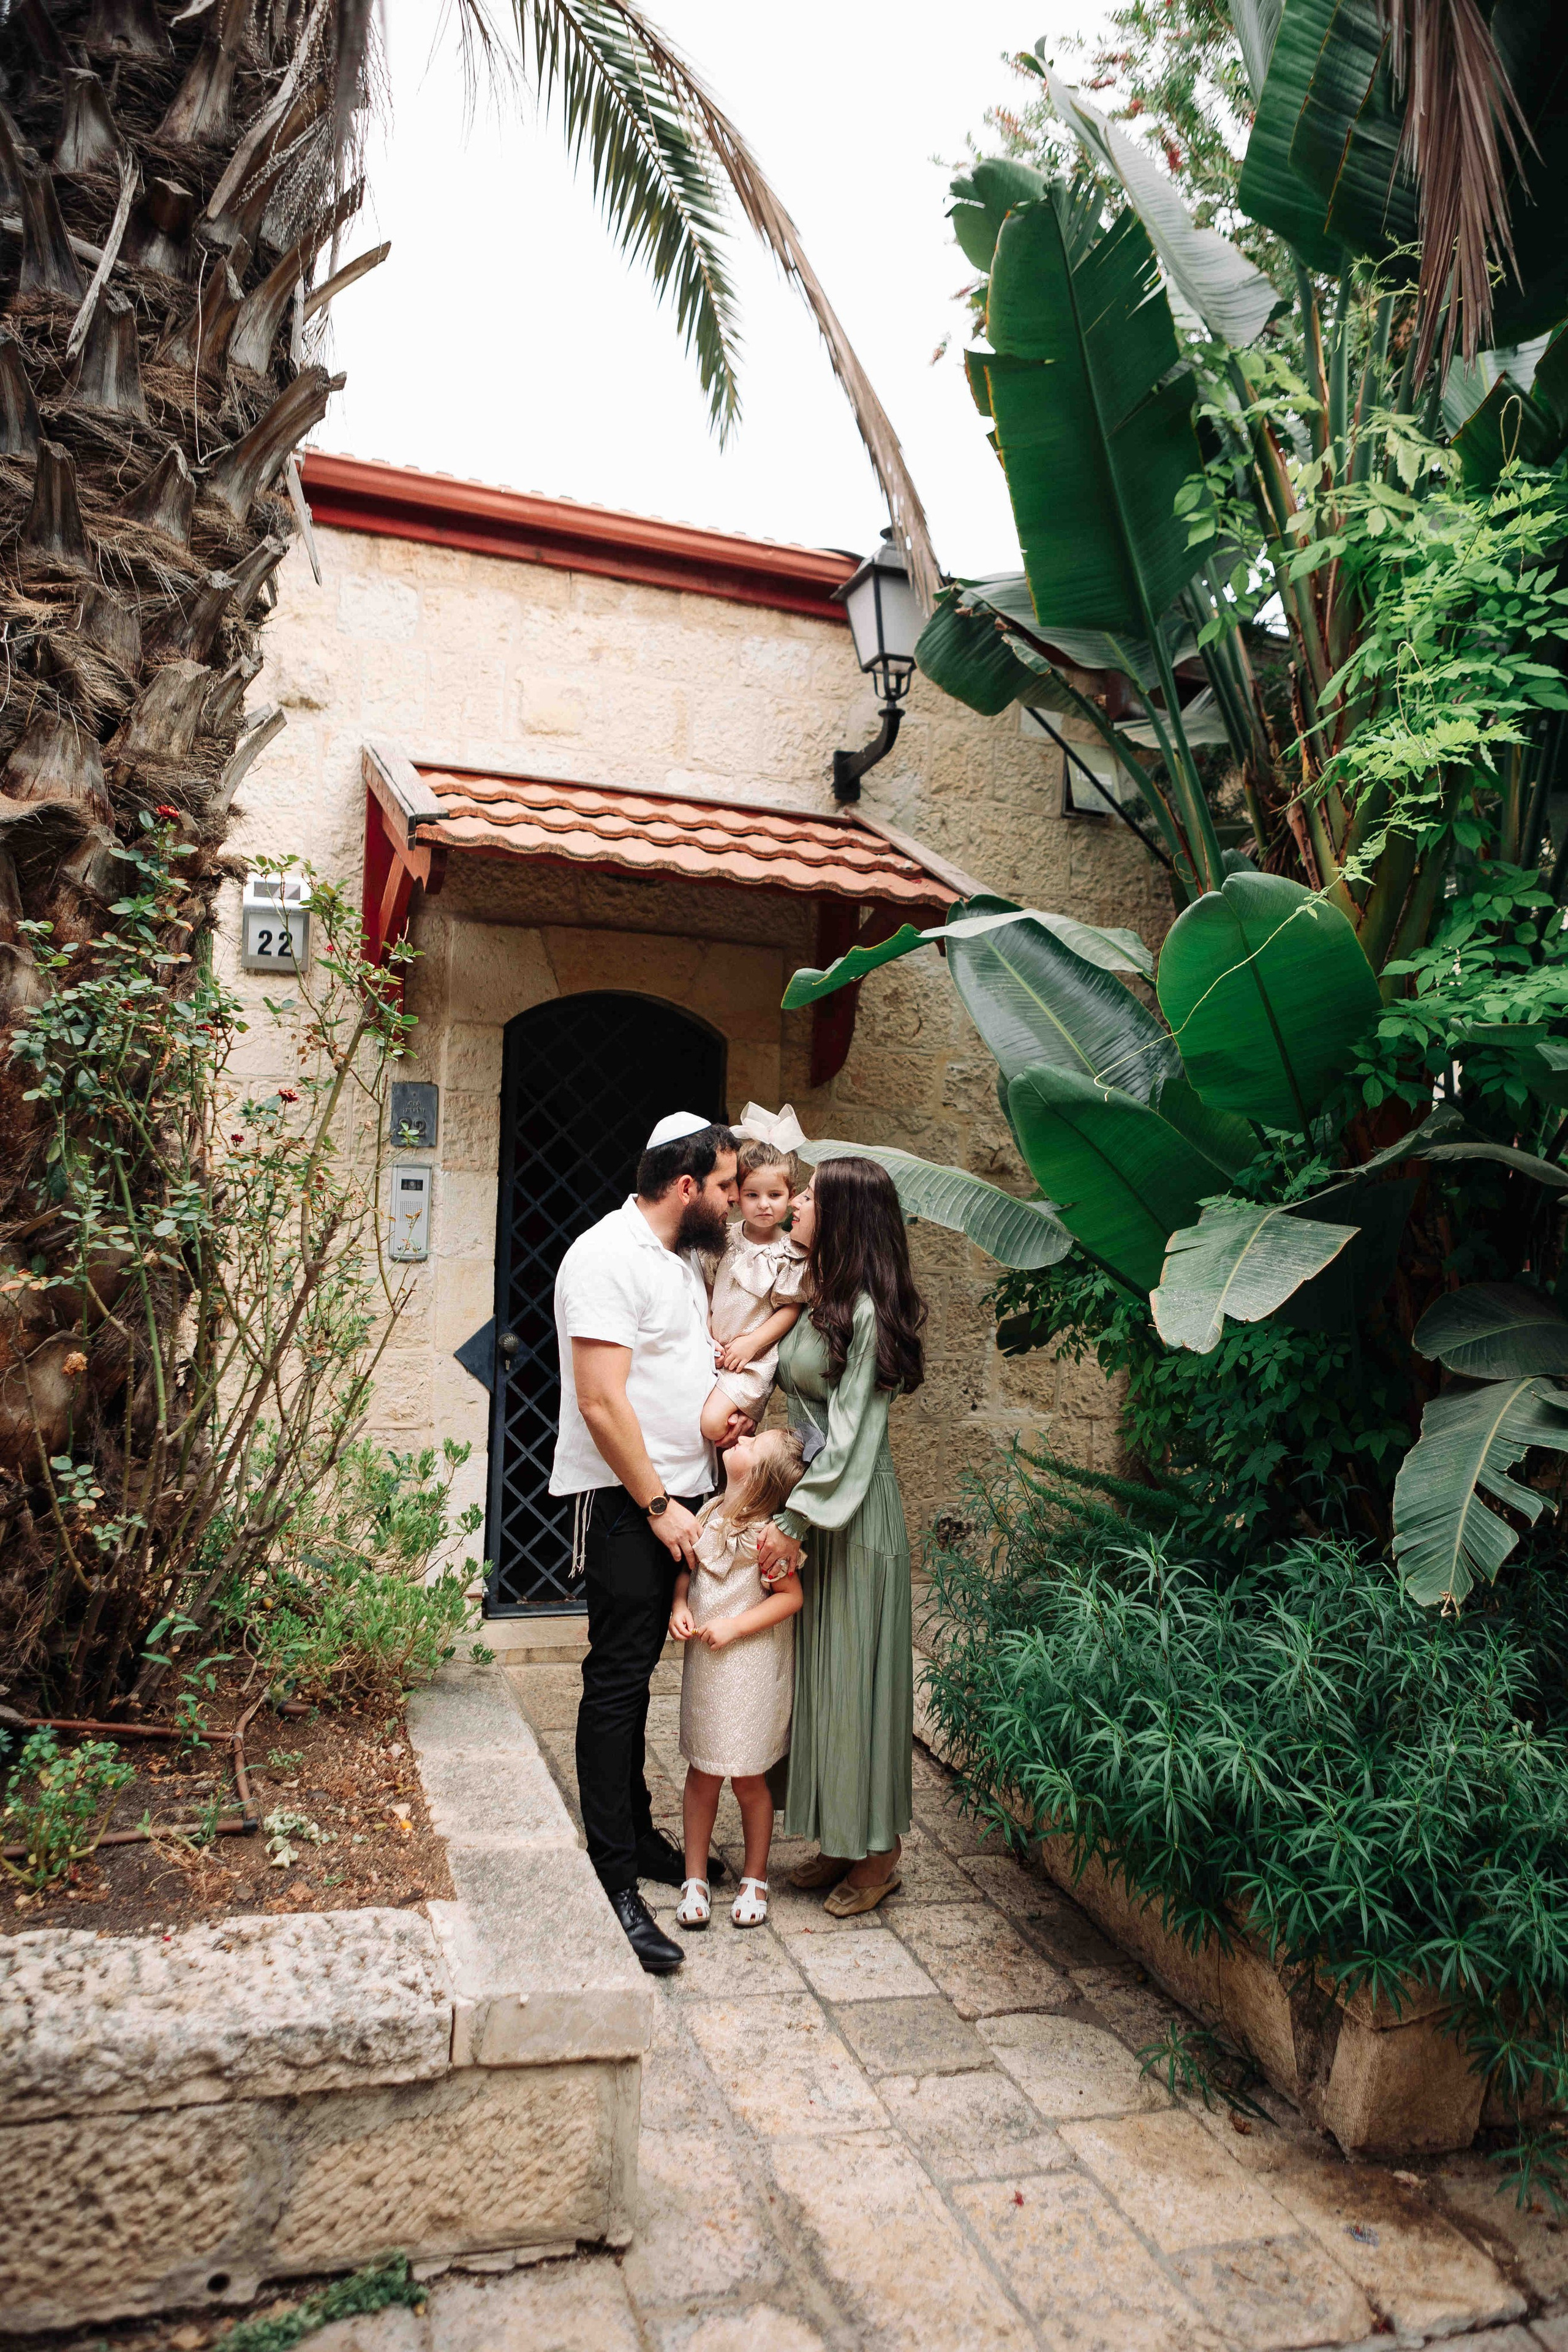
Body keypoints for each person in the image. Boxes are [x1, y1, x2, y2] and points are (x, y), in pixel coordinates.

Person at [551, 1111, 749, 1975]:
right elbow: (601, 1401)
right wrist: (663, 1504)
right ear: (686, 1187)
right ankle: (614, 1877)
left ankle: (635, 1835)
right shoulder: (606, 1256)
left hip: (679, 1497)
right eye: (729, 1189)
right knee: (618, 1680)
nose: (736, 1204)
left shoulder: (676, 1259)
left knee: (638, 1676)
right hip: (633, 1501)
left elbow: (663, 1368)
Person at [755, 1156, 926, 1917]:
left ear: (846, 1216)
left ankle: (878, 1858)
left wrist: (793, 1520)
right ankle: (837, 1838)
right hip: (811, 1508)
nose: (793, 1201)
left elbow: (853, 1435)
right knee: (822, 1681)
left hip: (852, 1516)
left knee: (860, 1684)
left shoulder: (867, 1312)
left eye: (810, 1196)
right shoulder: (822, 1295)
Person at [667, 1427, 807, 1931]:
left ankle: (754, 1876)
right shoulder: (708, 1512)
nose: (741, 1434)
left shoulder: (767, 1536)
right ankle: (695, 1876)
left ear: (761, 1477)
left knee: (749, 1778)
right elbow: (690, 1569)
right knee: (702, 1771)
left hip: (750, 1669)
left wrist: (734, 1625)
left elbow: (790, 1598)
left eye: (753, 1443)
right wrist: (680, 1604)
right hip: (707, 1669)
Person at [697, 1122, 809, 1445]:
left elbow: (792, 1308)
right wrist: (706, 1333)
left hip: (752, 1361)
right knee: (704, 1435)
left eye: (774, 1195)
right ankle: (727, 1492)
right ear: (737, 1195)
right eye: (752, 1195)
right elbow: (705, 1289)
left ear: (790, 1196)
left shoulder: (791, 1253)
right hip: (712, 1351)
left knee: (714, 1424)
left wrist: (753, 1343)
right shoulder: (724, 1238)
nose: (764, 1204)